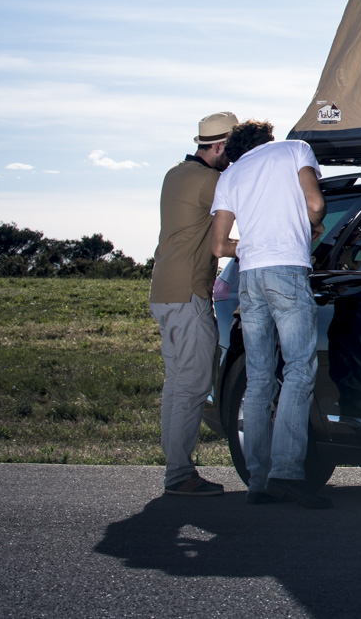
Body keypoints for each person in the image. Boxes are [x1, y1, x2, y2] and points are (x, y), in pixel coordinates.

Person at [210, 120, 331, 509]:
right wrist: (310, 228)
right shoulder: (294, 150)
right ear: (268, 139)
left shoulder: (231, 174)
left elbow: (218, 245)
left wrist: (251, 247)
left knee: (259, 378)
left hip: (250, 277)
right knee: (298, 369)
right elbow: (315, 205)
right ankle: (288, 474)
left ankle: (257, 482)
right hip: (287, 271)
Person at [149, 111, 237, 497]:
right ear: (219, 147)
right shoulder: (210, 181)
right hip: (188, 293)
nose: (232, 159)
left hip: (165, 291)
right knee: (194, 385)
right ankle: (179, 475)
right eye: (230, 151)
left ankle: (174, 467)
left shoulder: (176, 174)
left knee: (177, 384)